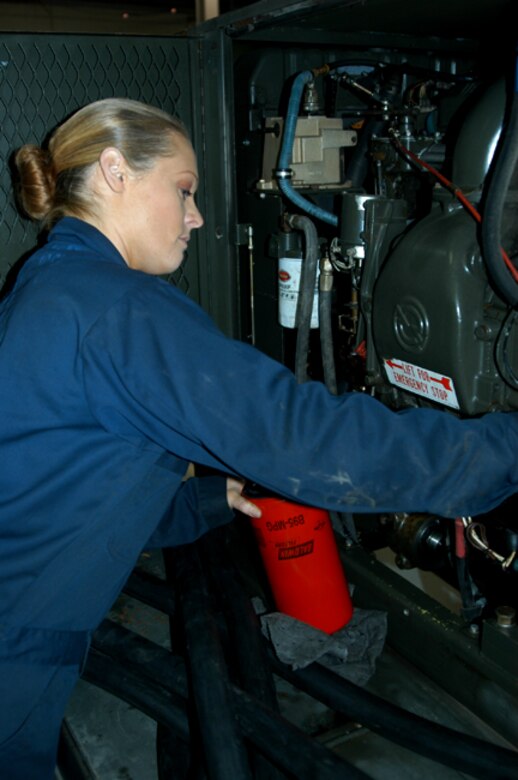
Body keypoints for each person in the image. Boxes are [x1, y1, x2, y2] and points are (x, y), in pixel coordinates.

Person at [0, 97, 516, 779]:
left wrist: (204, 503)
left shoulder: (50, 282)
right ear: (116, 171)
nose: (197, 218)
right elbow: (310, 442)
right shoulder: (118, 309)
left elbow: (58, 488)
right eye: (184, 191)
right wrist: (501, 450)